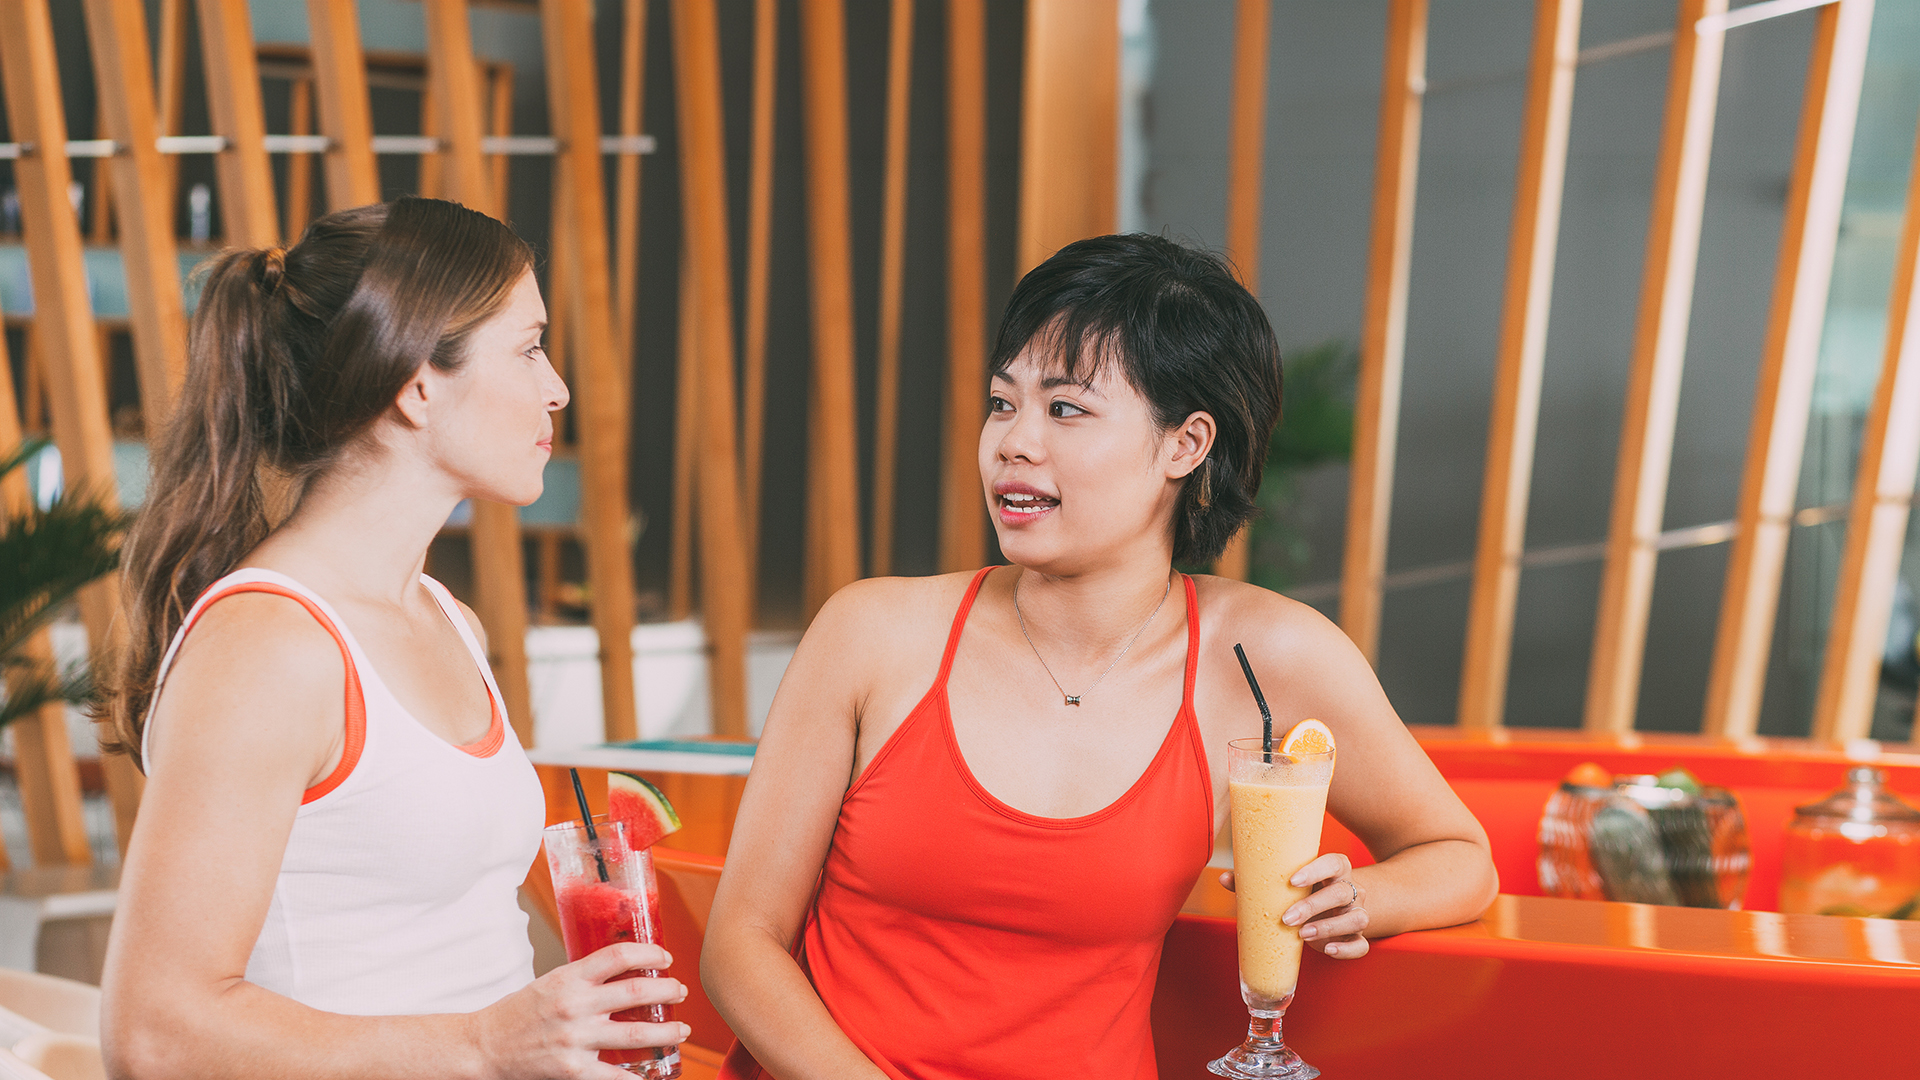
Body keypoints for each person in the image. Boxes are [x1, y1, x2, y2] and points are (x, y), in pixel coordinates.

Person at [703, 234, 1499, 1079]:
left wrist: (1363, 900)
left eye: (1066, 409)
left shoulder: (1267, 659)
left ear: (1184, 446)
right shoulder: (872, 631)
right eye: (1002, 403)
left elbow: (1460, 856)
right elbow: (741, 944)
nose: (1013, 441)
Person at [98, 198, 688, 1080]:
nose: (557, 386)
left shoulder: (447, 620)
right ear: (416, 387)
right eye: (528, 349)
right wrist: (489, 1046)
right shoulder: (269, 646)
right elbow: (153, 1035)